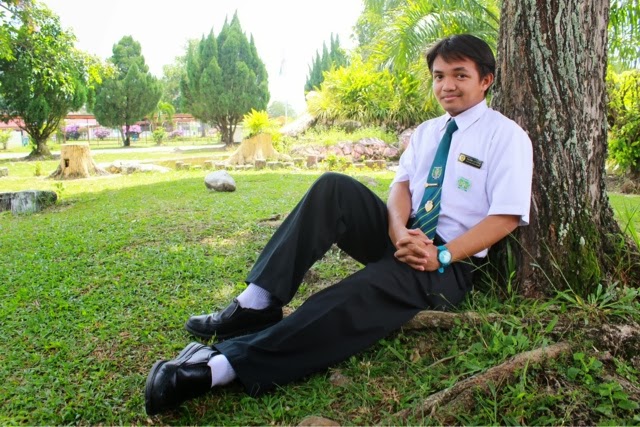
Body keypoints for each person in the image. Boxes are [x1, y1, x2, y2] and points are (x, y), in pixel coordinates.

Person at [144, 34, 533, 416]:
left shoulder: (506, 137)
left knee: (353, 295)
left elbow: (506, 216)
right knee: (333, 187)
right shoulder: (429, 132)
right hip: (407, 235)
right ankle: (256, 303)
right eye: (439, 76)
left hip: (449, 263)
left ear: (486, 80)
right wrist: (398, 231)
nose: (447, 85)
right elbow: (401, 186)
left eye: (460, 75)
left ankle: (221, 368)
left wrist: (441, 255)